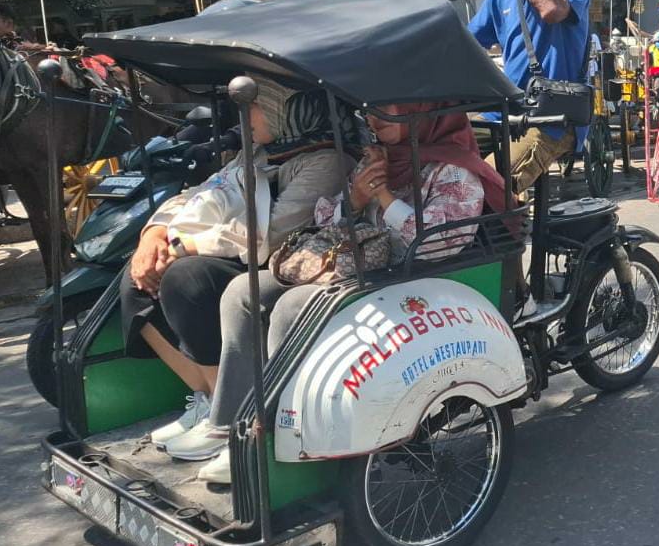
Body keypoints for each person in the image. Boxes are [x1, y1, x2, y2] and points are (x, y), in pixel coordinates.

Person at [188, 102, 511, 483]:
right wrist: (356, 198)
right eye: (369, 110)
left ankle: (272, 434)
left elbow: (436, 245)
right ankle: (228, 425)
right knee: (243, 291)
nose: (374, 119)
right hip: (351, 263)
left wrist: (386, 198)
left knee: (292, 307)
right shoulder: (378, 158)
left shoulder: (455, 171)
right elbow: (326, 223)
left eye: (387, 108)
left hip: (409, 277)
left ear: (422, 111)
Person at [118, 83, 350, 455]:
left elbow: (272, 233)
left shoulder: (327, 161)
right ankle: (209, 397)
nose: (244, 116)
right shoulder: (258, 153)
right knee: (136, 279)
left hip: (279, 260)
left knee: (185, 279)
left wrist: (183, 247)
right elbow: (195, 195)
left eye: (254, 106)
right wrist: (155, 235)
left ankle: (225, 415)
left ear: (283, 110)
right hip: (226, 250)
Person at [467, 0, 592, 195]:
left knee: (488, 192)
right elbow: (464, 47)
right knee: (428, 153)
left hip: (551, 117)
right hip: (506, 111)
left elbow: (551, 9)